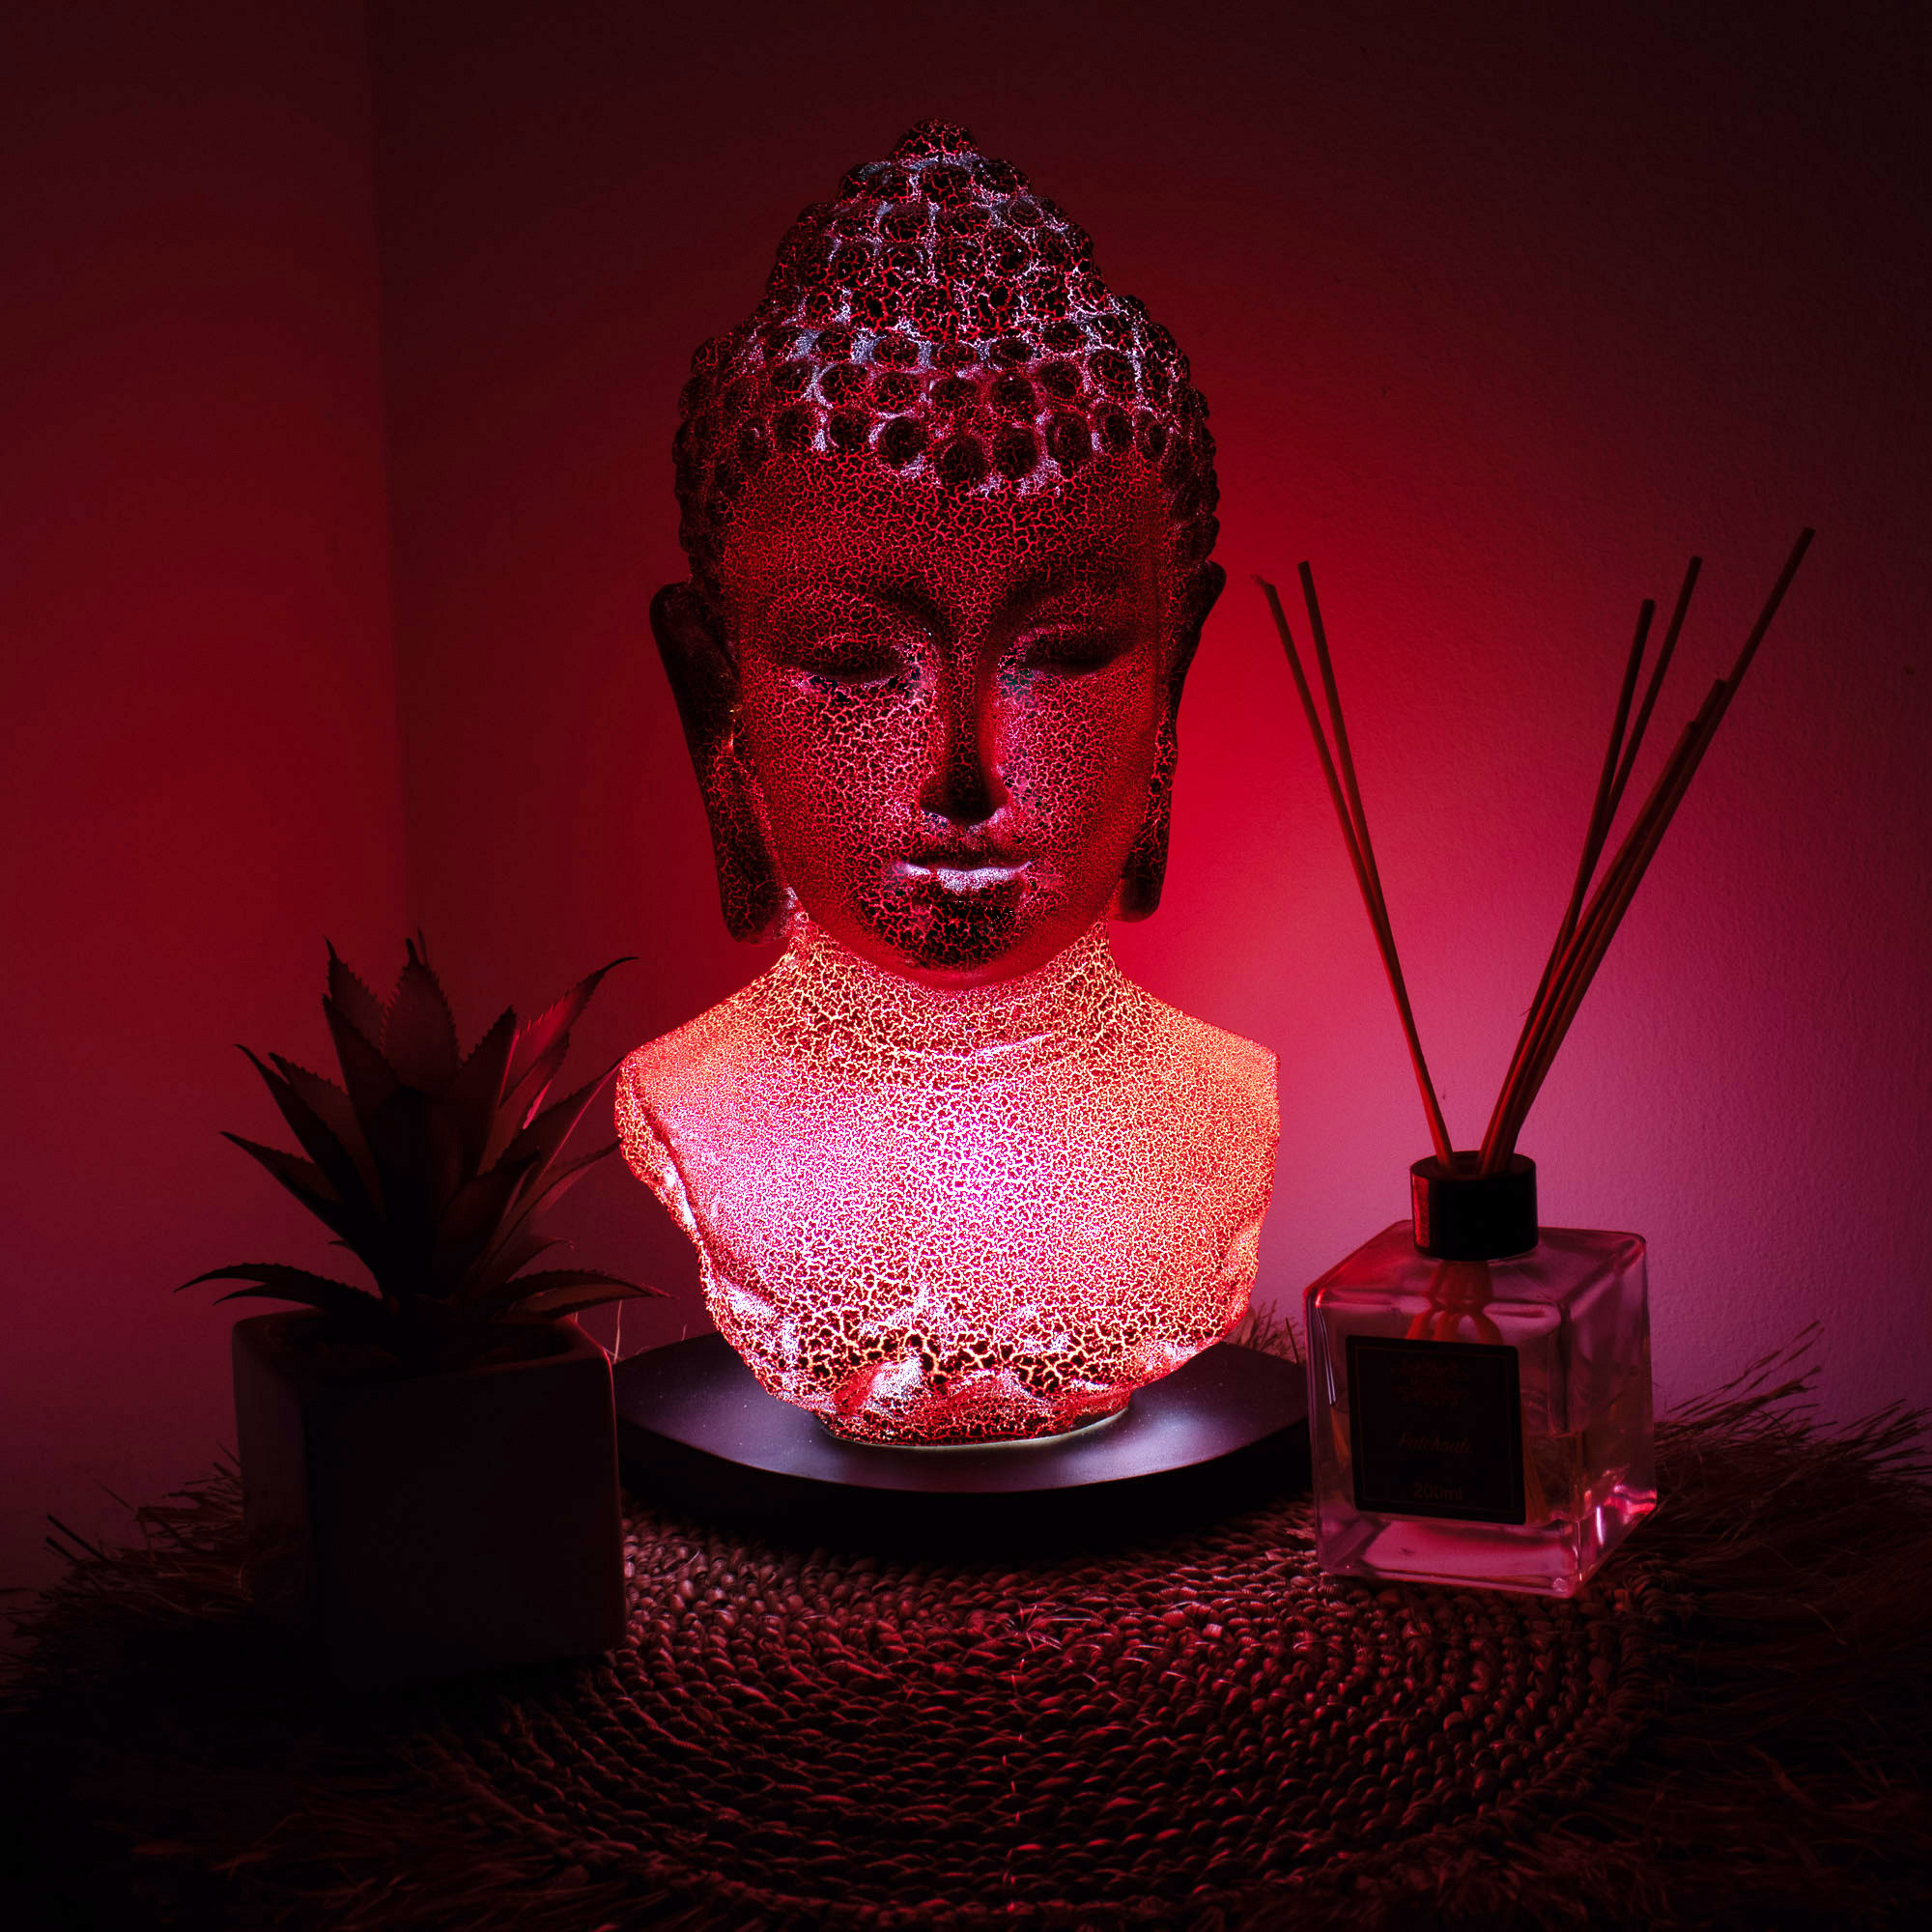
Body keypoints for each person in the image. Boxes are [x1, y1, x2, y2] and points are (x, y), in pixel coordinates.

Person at [617, 123, 1277, 1444]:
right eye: (854, 665)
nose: (965, 768)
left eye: (1063, 655)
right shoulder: (688, 1101)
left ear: (1171, 682)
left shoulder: (1219, 1108)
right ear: (717, 694)